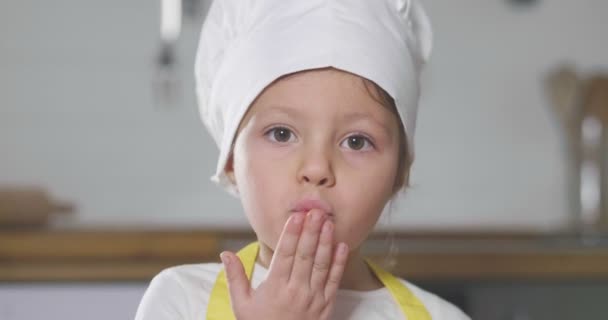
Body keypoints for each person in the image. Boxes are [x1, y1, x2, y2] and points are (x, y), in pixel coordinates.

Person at [135, 0, 471, 319]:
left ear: (399, 173)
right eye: (281, 134)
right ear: (231, 161)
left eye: (356, 141)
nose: (317, 168)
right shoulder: (180, 301)